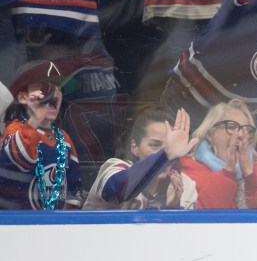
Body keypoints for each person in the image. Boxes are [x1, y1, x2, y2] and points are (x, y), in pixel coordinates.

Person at [0, 63, 83, 210]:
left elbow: (74, 186)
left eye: (58, 87)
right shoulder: (15, 130)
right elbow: (17, 161)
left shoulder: (64, 138)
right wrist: (35, 119)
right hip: (20, 221)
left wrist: (69, 218)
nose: (54, 91)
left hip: (57, 222)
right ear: (23, 97)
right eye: (44, 87)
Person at [177, 99, 257, 209]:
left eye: (246, 130)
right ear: (210, 135)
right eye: (231, 127)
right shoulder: (189, 172)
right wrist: (227, 174)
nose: (240, 135)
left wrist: (251, 178)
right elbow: (211, 217)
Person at [84, 106, 199, 210]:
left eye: (172, 147)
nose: (170, 153)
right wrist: (164, 154)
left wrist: (173, 207)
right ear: (134, 147)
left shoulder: (185, 185)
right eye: (154, 145)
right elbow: (116, 190)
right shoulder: (115, 168)